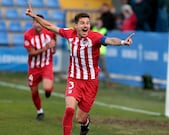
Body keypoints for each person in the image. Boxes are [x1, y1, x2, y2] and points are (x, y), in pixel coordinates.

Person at [25, 3, 134, 135]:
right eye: (82, 23)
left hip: (91, 82)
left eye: (87, 23)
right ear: (76, 26)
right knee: (69, 110)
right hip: (74, 79)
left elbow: (110, 40)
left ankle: (86, 123)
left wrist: (123, 42)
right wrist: (34, 16)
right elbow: (49, 26)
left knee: (80, 118)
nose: (85, 25)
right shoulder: (69, 34)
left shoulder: (94, 37)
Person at [23, 14, 57, 120]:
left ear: (43, 23)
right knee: (33, 90)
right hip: (33, 68)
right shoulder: (28, 35)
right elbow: (31, 53)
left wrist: (53, 48)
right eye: (36, 22)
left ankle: (48, 91)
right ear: (33, 23)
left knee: (47, 88)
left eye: (40, 22)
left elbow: (54, 41)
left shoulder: (50, 32)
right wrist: (46, 47)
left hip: (46, 65)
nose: (38, 24)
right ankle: (40, 111)